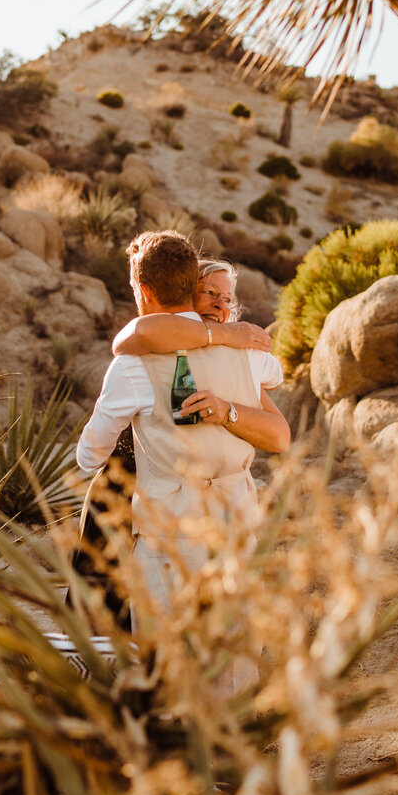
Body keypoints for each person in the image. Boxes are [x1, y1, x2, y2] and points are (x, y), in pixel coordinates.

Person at [75, 234, 287, 648]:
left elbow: (88, 456)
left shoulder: (134, 362)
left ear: (145, 290)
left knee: (161, 653)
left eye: (227, 297)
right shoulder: (247, 353)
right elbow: (274, 373)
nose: (222, 304)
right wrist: (228, 338)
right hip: (235, 517)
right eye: (210, 293)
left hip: (166, 517)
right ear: (189, 289)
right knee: (231, 650)